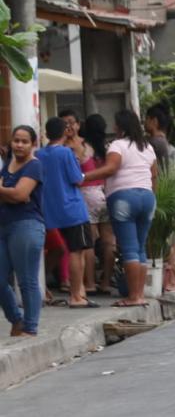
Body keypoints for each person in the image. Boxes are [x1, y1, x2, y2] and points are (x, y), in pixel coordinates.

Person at [83, 110, 158, 307]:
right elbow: (154, 175)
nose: (114, 128)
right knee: (139, 248)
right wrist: (151, 195)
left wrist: (82, 177)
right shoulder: (147, 147)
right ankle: (139, 295)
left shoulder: (118, 145)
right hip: (147, 197)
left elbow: (111, 168)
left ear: (121, 127)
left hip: (124, 197)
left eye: (116, 124)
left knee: (129, 249)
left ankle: (133, 297)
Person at [39, 117, 96, 308]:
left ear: (46, 133)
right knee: (76, 251)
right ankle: (76, 295)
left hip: (51, 210)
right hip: (72, 208)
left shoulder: (39, 154)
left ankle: (51, 288)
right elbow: (77, 179)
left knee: (60, 249)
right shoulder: (66, 153)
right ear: (65, 132)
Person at [0, 125, 45, 337]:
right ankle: (15, 319)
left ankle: (30, 327)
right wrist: (11, 193)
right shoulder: (8, 164)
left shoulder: (34, 166)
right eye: (16, 140)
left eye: (24, 141)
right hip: (4, 226)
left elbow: (20, 195)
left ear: (33, 144)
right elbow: (16, 194)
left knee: (27, 280)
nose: (19, 145)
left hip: (27, 225)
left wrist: (11, 193)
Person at [80, 114, 115, 296]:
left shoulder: (84, 148)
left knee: (90, 242)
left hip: (88, 195)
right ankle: (107, 282)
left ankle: (90, 283)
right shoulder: (109, 148)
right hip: (106, 193)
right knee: (109, 242)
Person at [144, 103, 175, 171]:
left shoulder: (155, 143)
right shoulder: (160, 141)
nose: (144, 122)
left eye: (147, 118)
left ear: (154, 121)